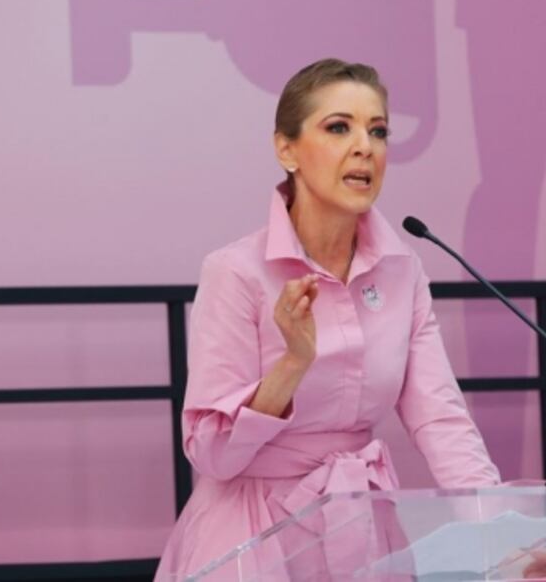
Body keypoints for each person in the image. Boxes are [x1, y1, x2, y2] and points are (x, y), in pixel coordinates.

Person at [154, 58, 502, 580]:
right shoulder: (235, 271)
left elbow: (441, 421)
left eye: (378, 131)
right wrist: (292, 365)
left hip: (361, 529)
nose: (365, 146)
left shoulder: (403, 270)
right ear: (286, 149)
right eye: (339, 127)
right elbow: (211, 455)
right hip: (250, 538)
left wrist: (501, 534)